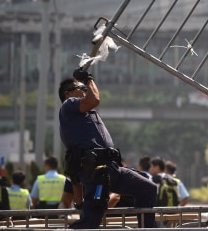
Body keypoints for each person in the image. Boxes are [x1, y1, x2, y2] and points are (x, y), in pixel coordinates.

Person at [58, 69, 157, 229]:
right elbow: (95, 99)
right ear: (68, 94)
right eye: (81, 88)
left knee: (147, 189)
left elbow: (93, 101)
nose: (85, 90)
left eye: (85, 88)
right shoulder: (68, 105)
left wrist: (87, 80)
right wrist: (89, 80)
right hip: (96, 174)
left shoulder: (88, 115)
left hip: (112, 170)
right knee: (91, 219)